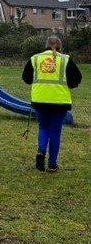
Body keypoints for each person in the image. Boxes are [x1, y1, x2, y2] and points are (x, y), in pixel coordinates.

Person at [22, 35, 81, 172]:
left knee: (43, 127)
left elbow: (26, 78)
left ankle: (41, 151)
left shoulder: (35, 58)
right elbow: (77, 79)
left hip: (40, 100)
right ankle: (52, 163)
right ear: (60, 47)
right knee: (55, 131)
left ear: (46, 45)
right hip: (60, 102)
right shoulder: (66, 59)